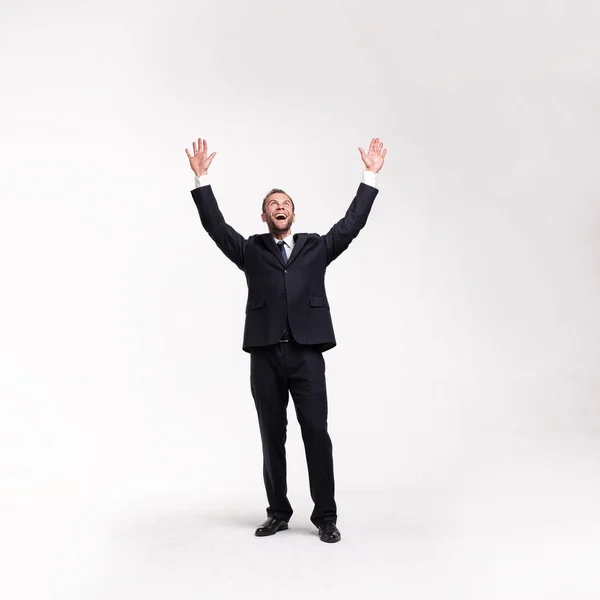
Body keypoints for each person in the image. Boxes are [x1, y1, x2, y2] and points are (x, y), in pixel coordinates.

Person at [185, 137, 387, 543]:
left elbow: (352, 224)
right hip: (265, 355)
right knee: (271, 435)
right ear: (263, 215)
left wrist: (370, 176)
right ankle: (278, 512)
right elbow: (214, 226)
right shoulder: (250, 249)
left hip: (307, 353)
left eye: (286, 203)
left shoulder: (316, 247)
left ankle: (325, 517)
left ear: (294, 213)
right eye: (273, 204)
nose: (280, 207)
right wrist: (201, 178)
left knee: (316, 434)